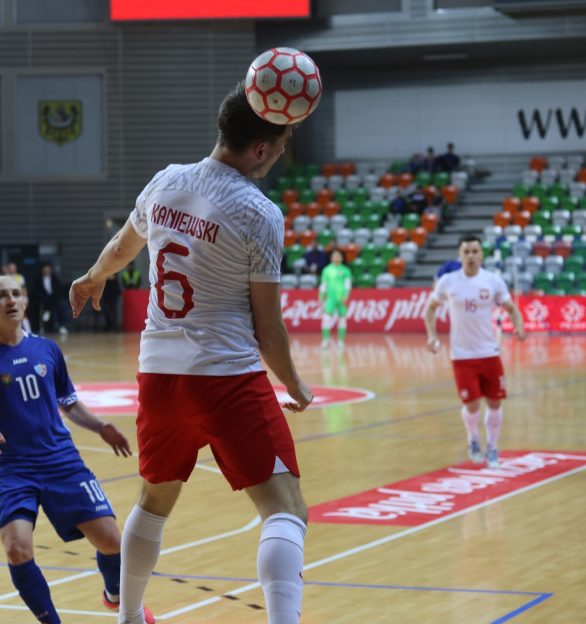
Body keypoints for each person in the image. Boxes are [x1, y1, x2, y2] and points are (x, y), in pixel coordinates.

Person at [70, 81, 313, 624]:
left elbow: (120, 249)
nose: (277, 156)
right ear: (259, 148)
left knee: (152, 505)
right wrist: (296, 386)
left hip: (158, 376)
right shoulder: (258, 212)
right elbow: (268, 330)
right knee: (286, 510)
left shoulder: (165, 182)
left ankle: (129, 617)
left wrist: (92, 279)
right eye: (279, 146)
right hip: (224, 376)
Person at [0, 276, 153, 624]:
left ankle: (114, 596)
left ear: (25, 303)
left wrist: (101, 427)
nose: (11, 300)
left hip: (61, 461)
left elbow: (70, 405)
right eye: (1, 296)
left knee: (111, 542)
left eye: (16, 294)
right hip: (12, 467)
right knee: (16, 548)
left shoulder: (47, 349)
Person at [424, 235, 526, 469]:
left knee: (495, 403)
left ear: (482, 255)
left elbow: (512, 308)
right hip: (462, 356)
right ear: (459, 256)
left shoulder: (493, 281)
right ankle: (473, 439)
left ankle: (492, 448)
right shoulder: (448, 282)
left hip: (489, 352)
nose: (471, 256)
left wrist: (518, 326)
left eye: (475, 251)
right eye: (466, 252)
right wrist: (431, 335)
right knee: (472, 406)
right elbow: (429, 310)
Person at [319, 249, 352, 349]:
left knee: (342, 319)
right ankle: (325, 340)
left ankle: (341, 341)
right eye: (335, 256)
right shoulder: (327, 270)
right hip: (330, 298)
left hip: (341, 298)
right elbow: (324, 284)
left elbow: (347, 285)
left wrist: (346, 296)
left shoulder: (346, 270)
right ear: (331, 257)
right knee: (326, 318)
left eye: (339, 256)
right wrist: (321, 296)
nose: (337, 258)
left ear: (342, 258)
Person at [33, 263, 68, 336]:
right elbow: (37, 290)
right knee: (42, 310)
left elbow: (58, 289)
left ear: (50, 270)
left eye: (47, 269)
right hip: (43, 299)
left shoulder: (55, 278)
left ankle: (60, 326)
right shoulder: (39, 279)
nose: (46, 270)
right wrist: (43, 297)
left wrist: (53, 296)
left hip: (54, 299)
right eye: (45, 269)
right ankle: (42, 327)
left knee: (61, 307)